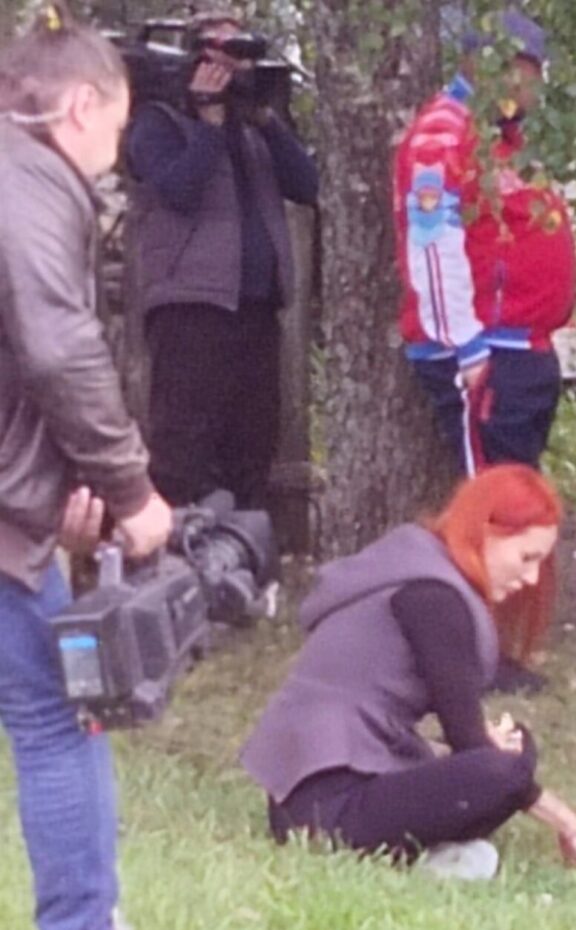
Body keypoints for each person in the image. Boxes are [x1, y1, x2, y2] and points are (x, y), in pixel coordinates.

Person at [0, 5, 175, 928]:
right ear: (79, 107)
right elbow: (57, 348)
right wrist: (132, 493)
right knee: (62, 721)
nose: (119, 145)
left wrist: (44, 506)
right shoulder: (28, 185)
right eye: (117, 122)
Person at [240, 465, 576, 878]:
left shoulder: (415, 567)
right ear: (485, 532)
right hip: (325, 810)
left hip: (310, 799)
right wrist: (571, 826)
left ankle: (422, 855)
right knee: (505, 769)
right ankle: (423, 857)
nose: (532, 577)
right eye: (527, 557)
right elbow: (470, 744)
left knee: (512, 754)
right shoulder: (435, 597)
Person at [125, 5, 319, 509]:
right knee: (183, 452)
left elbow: (306, 184)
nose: (235, 64)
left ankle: (247, 565)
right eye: (222, 49)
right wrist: (208, 124)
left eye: (242, 51)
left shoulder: (253, 128)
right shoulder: (157, 121)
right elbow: (179, 188)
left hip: (256, 310)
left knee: (253, 451)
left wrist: (266, 118)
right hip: (191, 308)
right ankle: (180, 568)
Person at [393, 8, 576, 477]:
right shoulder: (443, 135)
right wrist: (466, 349)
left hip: (522, 346)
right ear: (494, 64)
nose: (533, 89)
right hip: (484, 353)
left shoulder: (508, 140)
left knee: (521, 499)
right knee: (495, 505)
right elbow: (432, 246)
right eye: (529, 73)